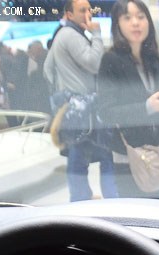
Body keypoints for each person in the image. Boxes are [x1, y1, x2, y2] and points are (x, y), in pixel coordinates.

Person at [97, 0, 159, 199]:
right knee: (135, 212)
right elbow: (106, 112)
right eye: (127, 18)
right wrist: (147, 107)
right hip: (130, 155)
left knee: (157, 207)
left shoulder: (152, 58)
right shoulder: (111, 60)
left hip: (158, 151)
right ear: (117, 24)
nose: (135, 23)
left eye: (140, 16)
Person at [44, 0, 117, 201]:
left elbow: (47, 69)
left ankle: (80, 197)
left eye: (89, 10)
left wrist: (64, 90)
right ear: (69, 14)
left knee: (79, 153)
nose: (88, 14)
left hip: (74, 106)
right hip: (85, 106)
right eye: (82, 10)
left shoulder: (63, 34)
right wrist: (97, 34)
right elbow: (94, 63)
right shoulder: (71, 35)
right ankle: (112, 198)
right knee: (104, 153)